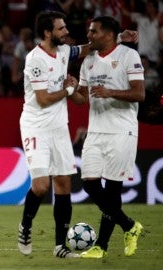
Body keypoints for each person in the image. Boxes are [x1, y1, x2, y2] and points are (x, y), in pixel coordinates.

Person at [17, 10, 139, 258]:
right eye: (61, 29)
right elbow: (42, 100)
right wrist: (69, 89)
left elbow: (87, 47)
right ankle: (25, 226)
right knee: (40, 187)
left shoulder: (64, 51)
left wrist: (118, 38)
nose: (66, 32)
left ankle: (60, 246)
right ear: (48, 33)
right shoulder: (35, 59)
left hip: (59, 126)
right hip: (35, 126)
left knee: (63, 185)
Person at [70, 16, 145, 258]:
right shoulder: (88, 61)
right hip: (95, 131)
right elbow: (83, 98)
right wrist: (71, 89)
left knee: (112, 191)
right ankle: (130, 225)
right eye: (89, 31)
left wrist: (110, 91)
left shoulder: (128, 56)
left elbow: (139, 94)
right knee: (90, 185)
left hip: (122, 130)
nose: (89, 35)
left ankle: (101, 246)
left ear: (109, 34)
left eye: (94, 31)